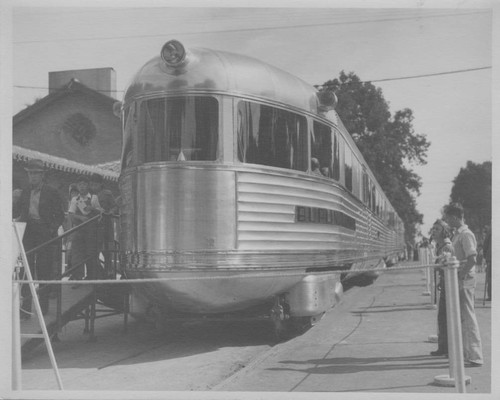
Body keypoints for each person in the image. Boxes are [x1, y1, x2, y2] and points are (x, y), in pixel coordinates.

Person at [14, 159, 65, 317]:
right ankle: (26, 310)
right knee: (25, 269)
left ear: (42, 175)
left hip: (44, 232)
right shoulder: (25, 190)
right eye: (30, 174)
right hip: (28, 232)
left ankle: (43, 309)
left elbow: (60, 215)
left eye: (36, 174)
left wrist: (51, 229)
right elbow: (20, 211)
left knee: (44, 269)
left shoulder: (51, 191)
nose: (33, 177)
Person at [443, 202, 484, 367]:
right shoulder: (457, 234)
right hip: (460, 279)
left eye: (447, 218)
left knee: (468, 316)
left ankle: (475, 355)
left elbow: (472, 258)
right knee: (462, 317)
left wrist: (460, 275)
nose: (446, 221)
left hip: (465, 280)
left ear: (454, 217)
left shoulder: (466, 234)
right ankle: (467, 352)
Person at [68, 175, 103, 281]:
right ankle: (77, 277)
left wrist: (93, 208)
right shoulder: (75, 199)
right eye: (80, 185)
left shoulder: (94, 197)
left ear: (88, 186)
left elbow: (100, 213)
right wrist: (81, 218)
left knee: (91, 254)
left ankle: (92, 277)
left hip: (92, 231)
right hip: (79, 230)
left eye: (84, 184)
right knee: (77, 255)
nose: (82, 187)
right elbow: (71, 214)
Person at [429, 219, 454, 356]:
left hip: (449, 286)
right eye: (433, 229)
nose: (433, 232)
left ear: (444, 231)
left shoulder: (446, 247)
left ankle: (448, 348)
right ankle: (443, 347)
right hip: (445, 283)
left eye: (437, 229)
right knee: (442, 317)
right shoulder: (439, 246)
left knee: (446, 317)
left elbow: (445, 267)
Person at [89, 173, 118, 277]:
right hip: (94, 226)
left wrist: (110, 212)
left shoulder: (107, 193)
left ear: (101, 184)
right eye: (91, 184)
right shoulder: (90, 195)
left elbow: (115, 206)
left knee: (107, 251)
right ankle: (99, 273)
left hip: (106, 226)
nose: (93, 187)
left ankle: (109, 272)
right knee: (94, 251)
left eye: (95, 184)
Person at [482, 225, 491, 301]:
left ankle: (491, 295)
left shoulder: (490, 230)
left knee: (490, 276)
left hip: (491, 257)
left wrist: (485, 255)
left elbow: (485, 244)